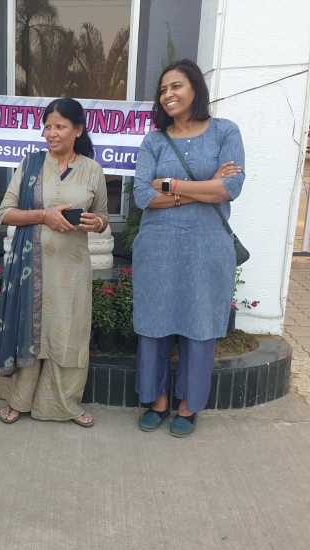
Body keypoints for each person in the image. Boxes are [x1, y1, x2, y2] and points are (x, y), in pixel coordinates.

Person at [132, 59, 245, 437]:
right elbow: (143, 196)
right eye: (163, 90)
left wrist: (171, 185)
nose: (168, 95)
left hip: (207, 247)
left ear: (196, 88)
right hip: (157, 247)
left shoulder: (225, 131)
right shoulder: (154, 140)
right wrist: (204, 186)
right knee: (154, 323)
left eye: (176, 86)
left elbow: (229, 188)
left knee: (200, 326)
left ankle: (188, 406)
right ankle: (157, 400)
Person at [0, 98, 109, 428]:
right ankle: (18, 399)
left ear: (78, 130)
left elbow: (102, 216)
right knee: (29, 329)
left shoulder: (93, 170)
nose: (51, 133)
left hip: (72, 268)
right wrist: (44, 216)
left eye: (59, 126)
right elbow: (4, 213)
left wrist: (96, 223)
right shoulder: (30, 164)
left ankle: (64, 402)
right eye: (47, 126)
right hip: (31, 267)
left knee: (68, 332)